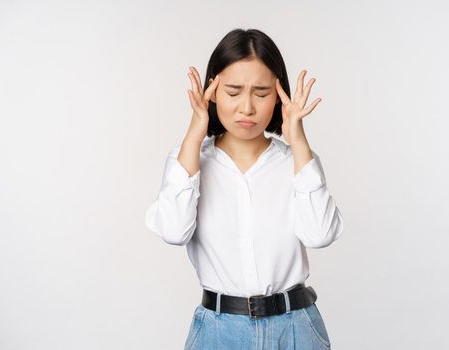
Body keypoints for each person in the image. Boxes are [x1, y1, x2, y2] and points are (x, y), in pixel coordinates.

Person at [144, 28, 344, 349]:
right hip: (219, 332)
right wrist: (194, 136)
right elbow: (173, 230)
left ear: (279, 95)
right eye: (234, 92)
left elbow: (321, 234)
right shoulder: (190, 159)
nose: (247, 108)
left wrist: (299, 140)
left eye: (262, 93)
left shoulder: (296, 161)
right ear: (213, 90)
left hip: (295, 330)